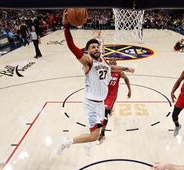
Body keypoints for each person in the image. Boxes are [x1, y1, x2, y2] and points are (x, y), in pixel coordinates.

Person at [57, 11, 134, 154]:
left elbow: (110, 68)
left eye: (97, 47)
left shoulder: (103, 61)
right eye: (93, 47)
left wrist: (125, 68)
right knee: (94, 136)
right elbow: (72, 46)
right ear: (87, 51)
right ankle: (67, 142)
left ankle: (87, 144)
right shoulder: (88, 61)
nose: (96, 48)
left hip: (100, 103)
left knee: (98, 131)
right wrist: (65, 25)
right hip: (92, 103)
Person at [97, 58, 132, 144]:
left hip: (112, 95)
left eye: (114, 61)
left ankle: (102, 134)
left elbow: (126, 79)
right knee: (105, 111)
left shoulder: (119, 72)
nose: (113, 61)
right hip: (103, 94)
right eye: (111, 61)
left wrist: (129, 90)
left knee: (105, 113)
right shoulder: (105, 70)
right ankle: (109, 110)